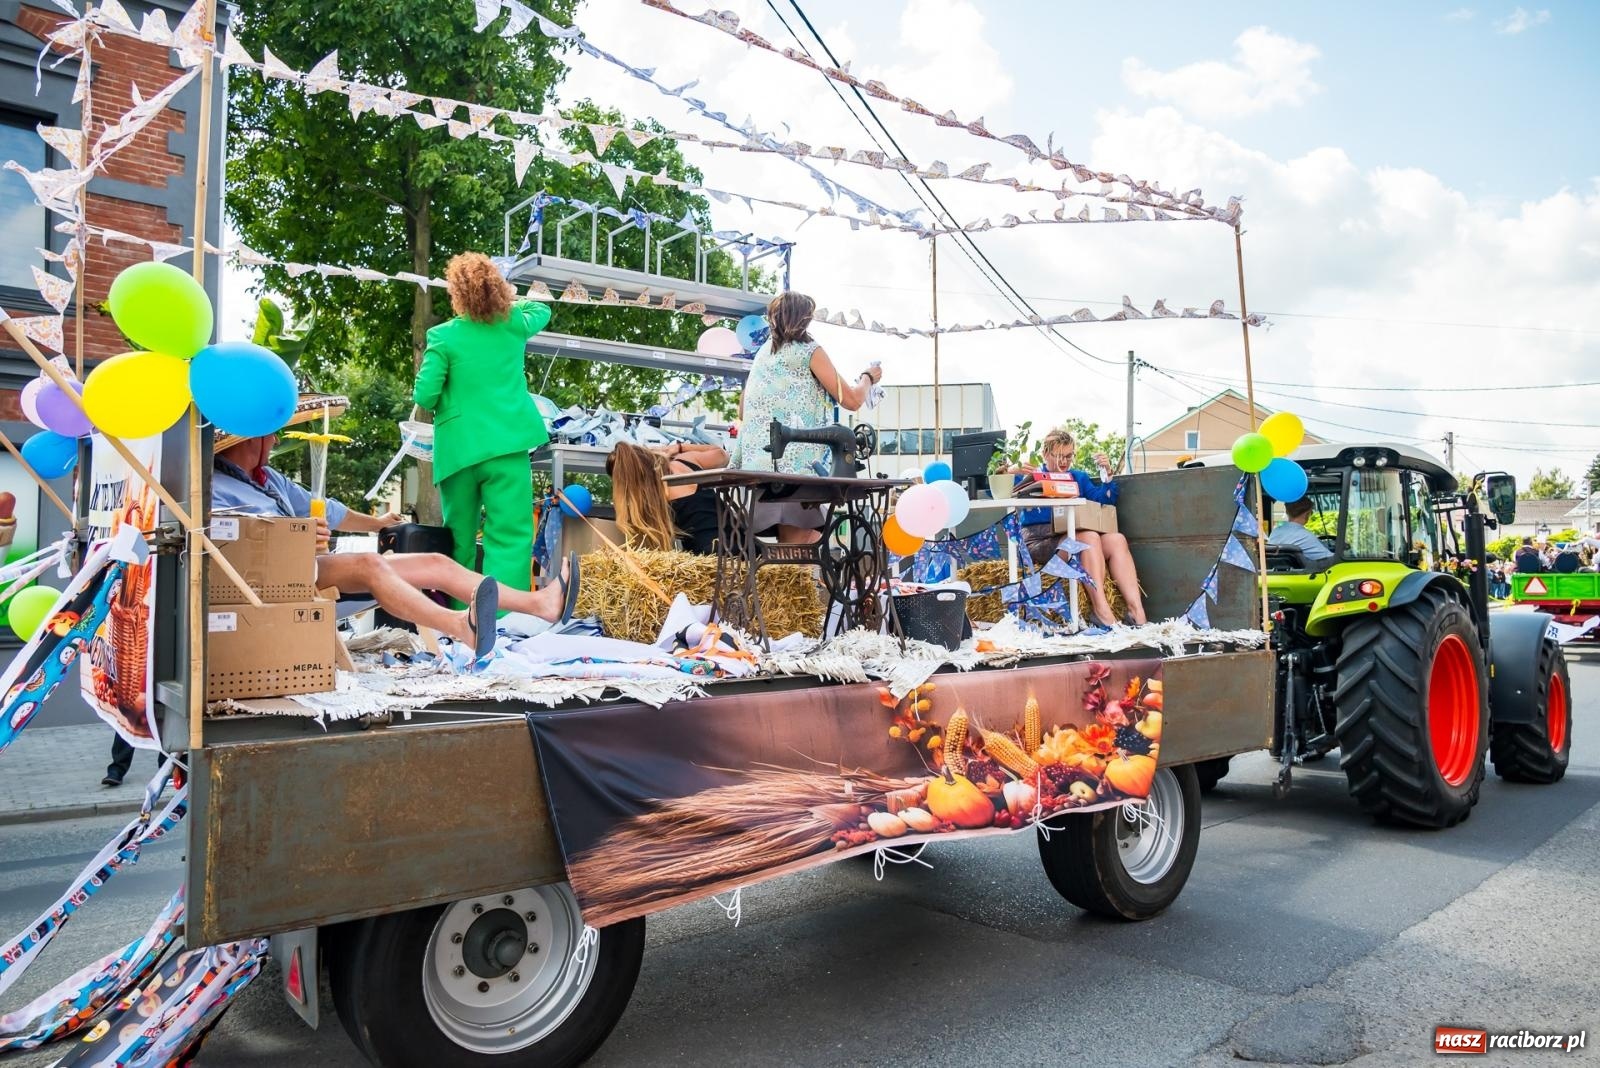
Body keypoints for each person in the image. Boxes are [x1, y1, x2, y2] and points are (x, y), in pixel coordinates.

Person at [214, 396, 575, 659]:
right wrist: (298, 539)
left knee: (434, 561)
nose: (276, 440)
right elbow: (236, 548)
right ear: (250, 438)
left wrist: (378, 524)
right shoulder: (215, 489)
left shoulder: (269, 479)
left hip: (308, 570)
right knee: (369, 564)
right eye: (271, 433)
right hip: (274, 588)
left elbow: (331, 512)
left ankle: (540, 604)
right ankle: (459, 626)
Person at [413, 252, 552, 596]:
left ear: (456, 294)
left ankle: (462, 615)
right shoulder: (514, 324)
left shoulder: (442, 336)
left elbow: (425, 395)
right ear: (498, 287)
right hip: (508, 445)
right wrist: (506, 300)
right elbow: (544, 309)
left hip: (459, 450)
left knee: (458, 538)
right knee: (510, 535)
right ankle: (506, 617)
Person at [731, 291, 883, 542]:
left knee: (805, 542)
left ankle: (810, 577)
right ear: (804, 318)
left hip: (757, 465)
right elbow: (853, 400)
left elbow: (743, 410)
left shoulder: (763, 354)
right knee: (795, 549)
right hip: (794, 467)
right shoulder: (808, 350)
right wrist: (867, 378)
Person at [1017, 426, 1147, 627]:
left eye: (1069, 457)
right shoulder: (1031, 475)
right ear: (1045, 454)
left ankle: (1137, 612)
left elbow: (1104, 501)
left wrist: (1107, 475)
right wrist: (1008, 471)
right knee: (1089, 537)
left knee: (1116, 540)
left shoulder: (1078, 477)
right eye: (1059, 456)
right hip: (1040, 540)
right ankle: (1101, 610)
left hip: (1072, 536)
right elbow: (996, 490)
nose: (1064, 463)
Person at [606, 441, 729, 554]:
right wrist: (679, 447)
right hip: (740, 543)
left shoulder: (649, 498)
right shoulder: (685, 461)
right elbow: (722, 455)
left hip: (707, 556)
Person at [1268, 497, 1335, 567]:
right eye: (1311, 512)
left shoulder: (1275, 532)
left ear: (1287, 512)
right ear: (1307, 514)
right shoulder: (1306, 536)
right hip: (1306, 576)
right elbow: (1333, 560)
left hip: (1276, 575)